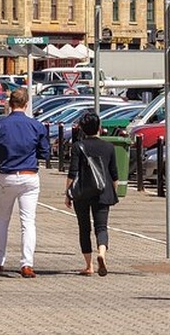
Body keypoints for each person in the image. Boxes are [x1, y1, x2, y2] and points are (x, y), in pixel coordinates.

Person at [0, 88, 50, 278]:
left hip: (7, 175)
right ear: (27, 104)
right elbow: (44, 153)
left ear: (9, 104)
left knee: (2, 219)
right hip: (29, 176)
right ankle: (26, 264)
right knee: (28, 222)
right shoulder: (36, 126)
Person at [64, 111, 118, 277]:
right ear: (99, 128)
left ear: (81, 128)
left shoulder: (78, 146)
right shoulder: (109, 147)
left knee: (84, 227)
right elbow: (114, 173)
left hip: (82, 192)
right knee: (101, 227)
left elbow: (72, 172)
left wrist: (67, 193)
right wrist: (113, 191)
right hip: (103, 191)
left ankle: (89, 265)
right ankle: (101, 252)